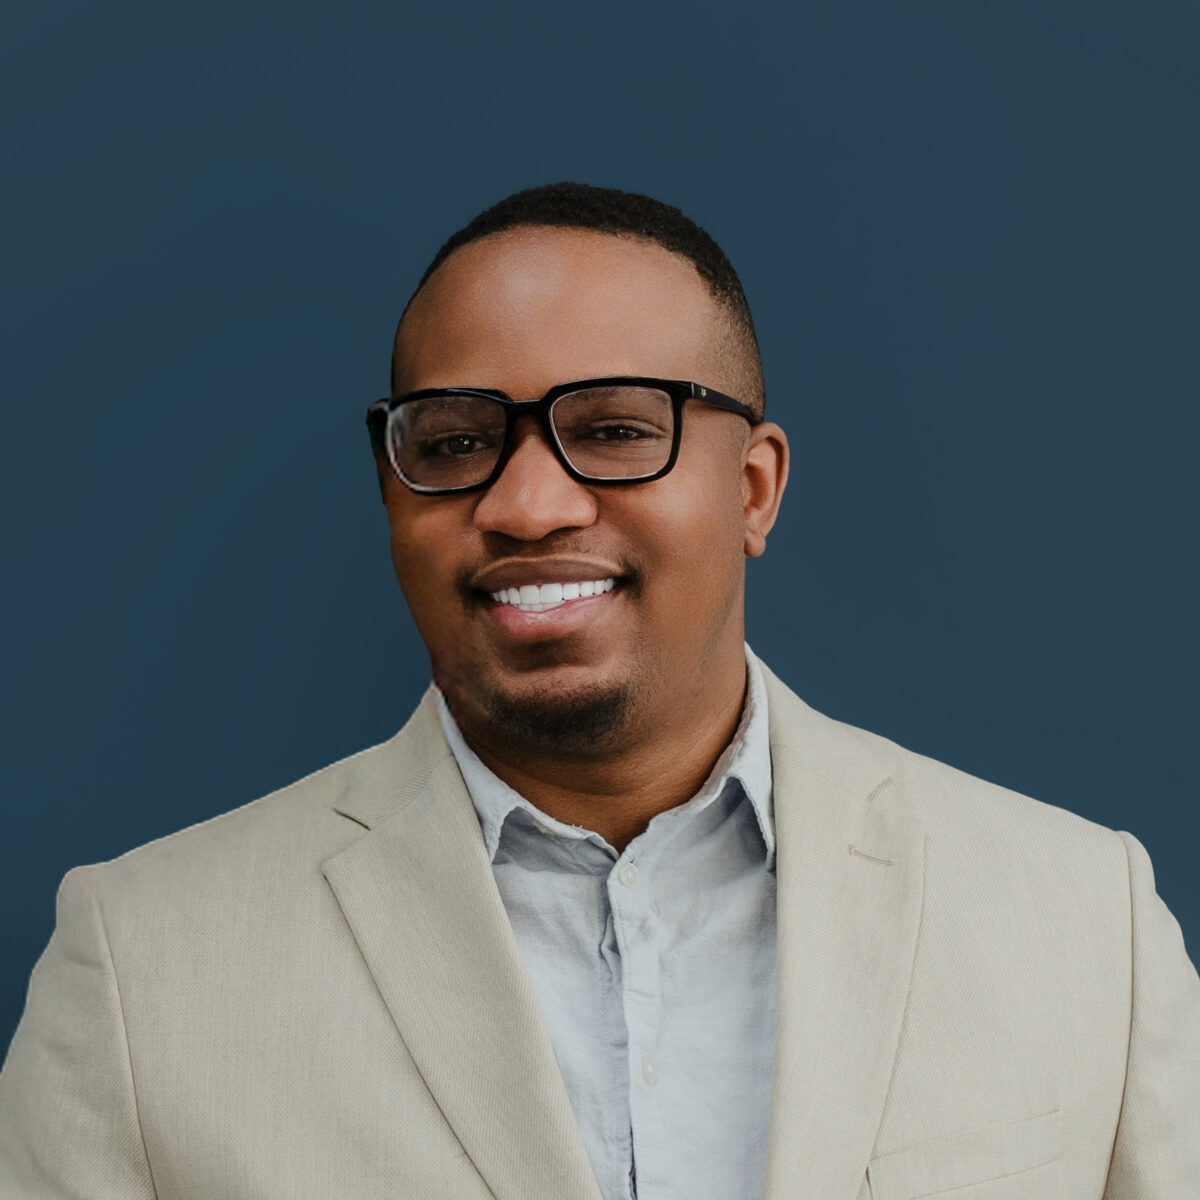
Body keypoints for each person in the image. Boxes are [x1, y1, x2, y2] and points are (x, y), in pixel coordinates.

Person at [1, 182, 1196, 1200]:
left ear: (754, 489)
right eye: (455, 441)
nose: (527, 505)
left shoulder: (1084, 923)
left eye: (618, 429)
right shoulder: (141, 966)